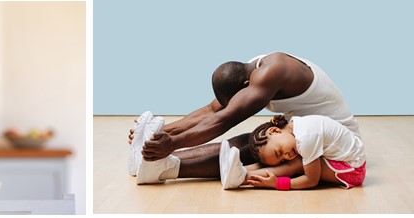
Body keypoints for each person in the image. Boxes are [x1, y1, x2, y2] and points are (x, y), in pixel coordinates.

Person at [132, 53, 358, 185]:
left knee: (256, 150)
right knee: (252, 140)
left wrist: (172, 143)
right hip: (307, 134)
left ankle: (167, 170)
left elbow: (223, 119)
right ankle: (154, 162)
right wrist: (157, 136)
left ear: (246, 87)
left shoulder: (271, 73)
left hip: (337, 143)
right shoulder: (250, 69)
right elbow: (212, 110)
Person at [220, 115, 366, 190]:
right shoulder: (295, 126)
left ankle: (241, 177)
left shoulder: (305, 138)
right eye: (282, 158)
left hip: (352, 170)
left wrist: (277, 183)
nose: (287, 156)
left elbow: (311, 180)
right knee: (291, 160)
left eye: (279, 152)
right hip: (344, 159)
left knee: (295, 163)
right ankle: (239, 169)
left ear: (274, 130)